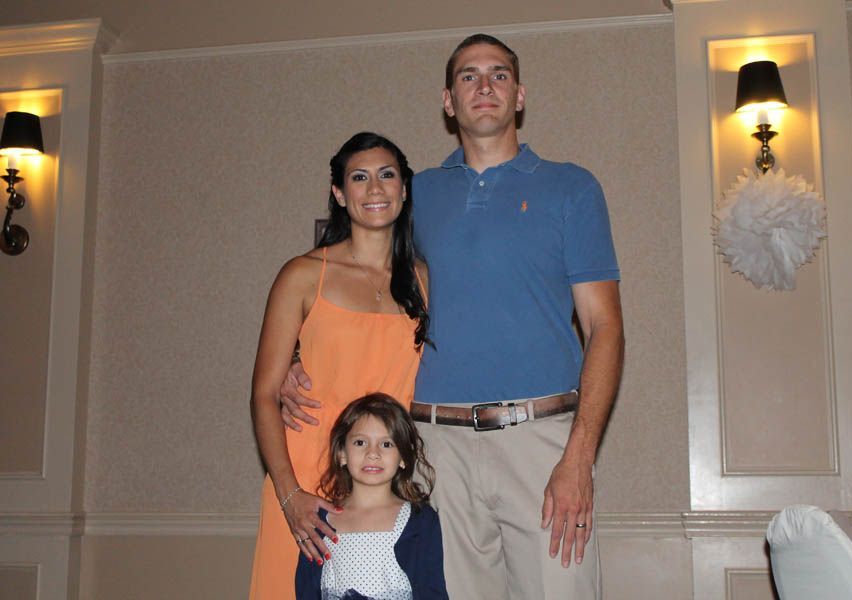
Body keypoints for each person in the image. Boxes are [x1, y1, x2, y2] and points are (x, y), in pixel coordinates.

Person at [282, 34, 624, 599]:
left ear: (519, 96)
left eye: (497, 74)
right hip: (433, 451)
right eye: (468, 76)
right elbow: (353, 275)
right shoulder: (415, 195)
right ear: (448, 101)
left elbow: (606, 328)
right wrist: (299, 355)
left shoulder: (572, 188)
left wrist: (579, 457)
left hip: (540, 443)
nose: (484, 86)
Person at [248, 132, 429, 599]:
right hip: (306, 473)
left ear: (404, 190)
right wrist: (290, 497)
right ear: (339, 193)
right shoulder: (303, 274)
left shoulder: (425, 281)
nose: (374, 189)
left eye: (387, 175)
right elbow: (264, 394)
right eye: (360, 177)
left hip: (386, 474)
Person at [295, 393, 448, 600]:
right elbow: (306, 590)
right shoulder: (320, 522)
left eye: (386, 444)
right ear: (341, 453)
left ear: (403, 457)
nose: (372, 453)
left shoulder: (420, 521)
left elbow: (432, 591)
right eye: (360, 443)